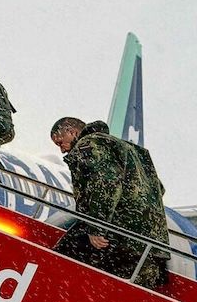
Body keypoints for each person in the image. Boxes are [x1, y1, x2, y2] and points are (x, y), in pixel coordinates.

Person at [48, 116, 170, 288]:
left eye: (61, 143)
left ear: (72, 132)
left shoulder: (88, 144)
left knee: (57, 262)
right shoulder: (132, 150)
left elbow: (107, 183)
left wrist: (96, 227)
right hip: (148, 246)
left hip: (119, 235)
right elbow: (159, 189)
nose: (62, 151)